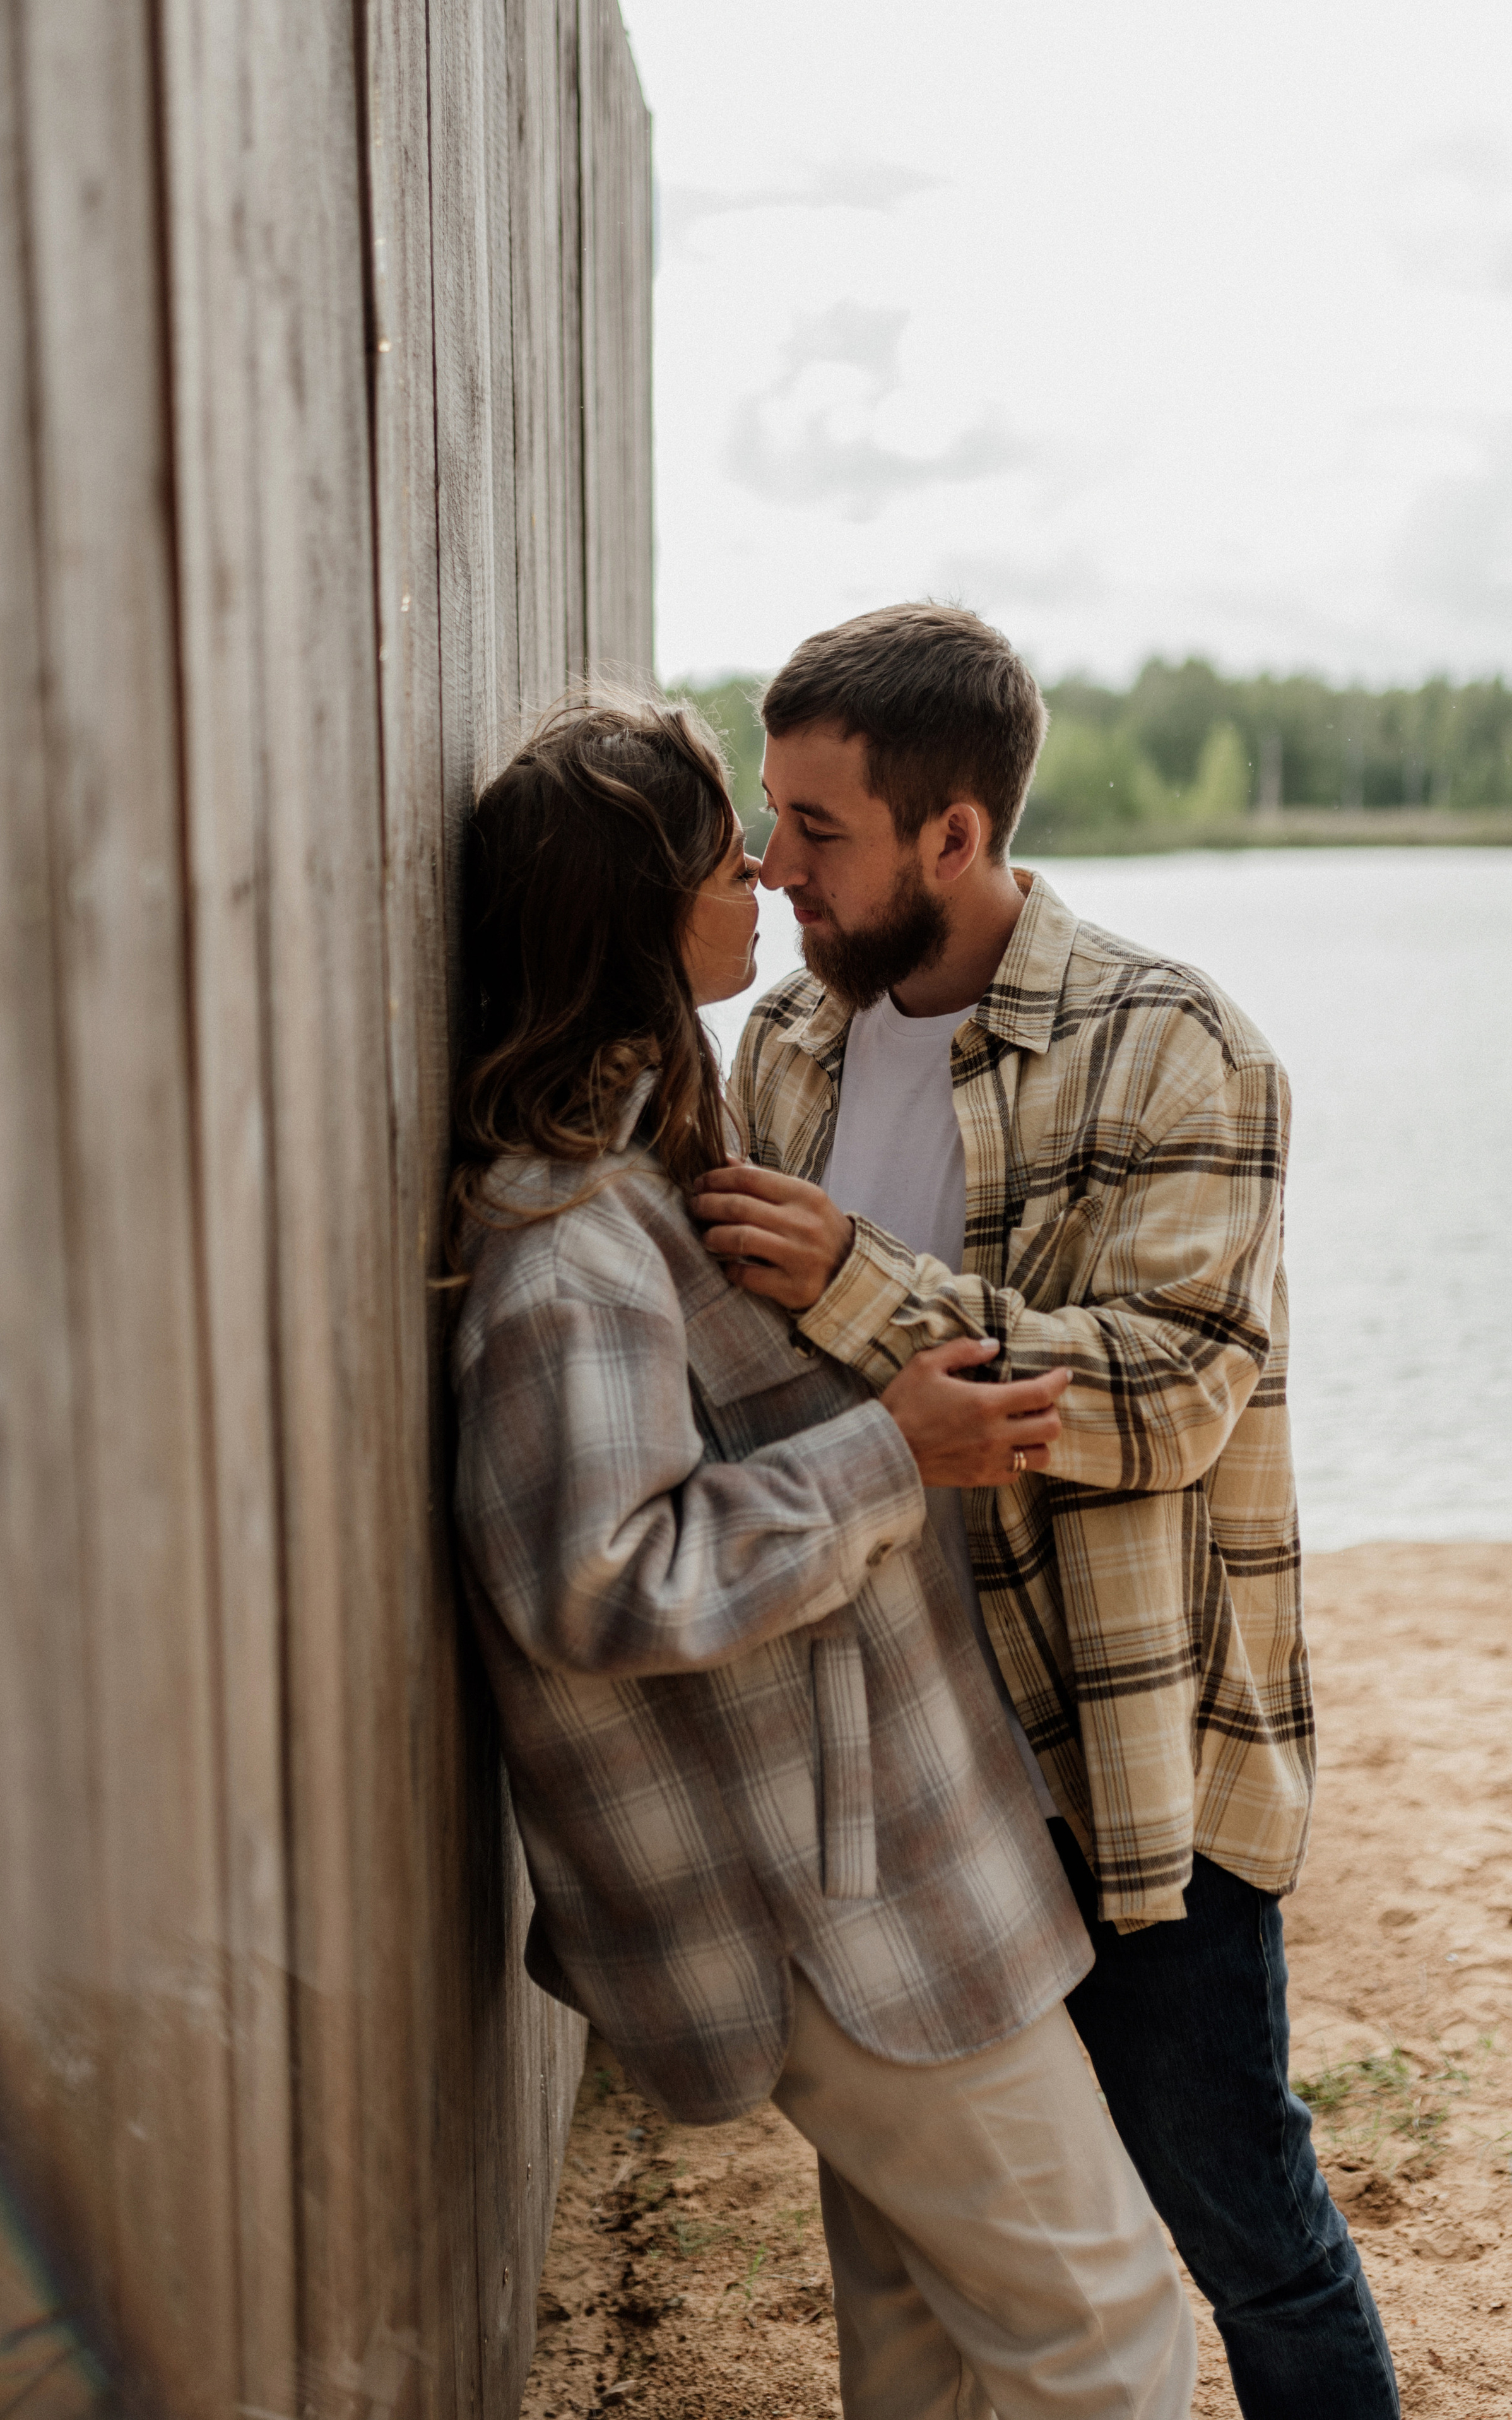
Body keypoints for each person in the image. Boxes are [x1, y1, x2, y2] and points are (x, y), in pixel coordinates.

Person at [448, 694, 1196, 2419]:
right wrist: (895, 1446)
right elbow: (601, 1580)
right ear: (646, 916)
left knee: (929, 2331)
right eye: (732, 856)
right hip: (832, 1903)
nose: (771, 876)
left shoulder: (651, 1150)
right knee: (1103, 2325)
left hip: (871, 1858)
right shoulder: (569, 1242)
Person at [695, 603, 1398, 2419]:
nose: (776, 871)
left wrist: (862, 1278)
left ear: (958, 832)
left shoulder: (1181, 1048)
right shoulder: (783, 1050)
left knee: (1247, 2231)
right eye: (768, 820)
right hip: (898, 1785)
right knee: (932, 2256)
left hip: (1127, 1770)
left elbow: (1163, 1393)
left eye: (818, 830)